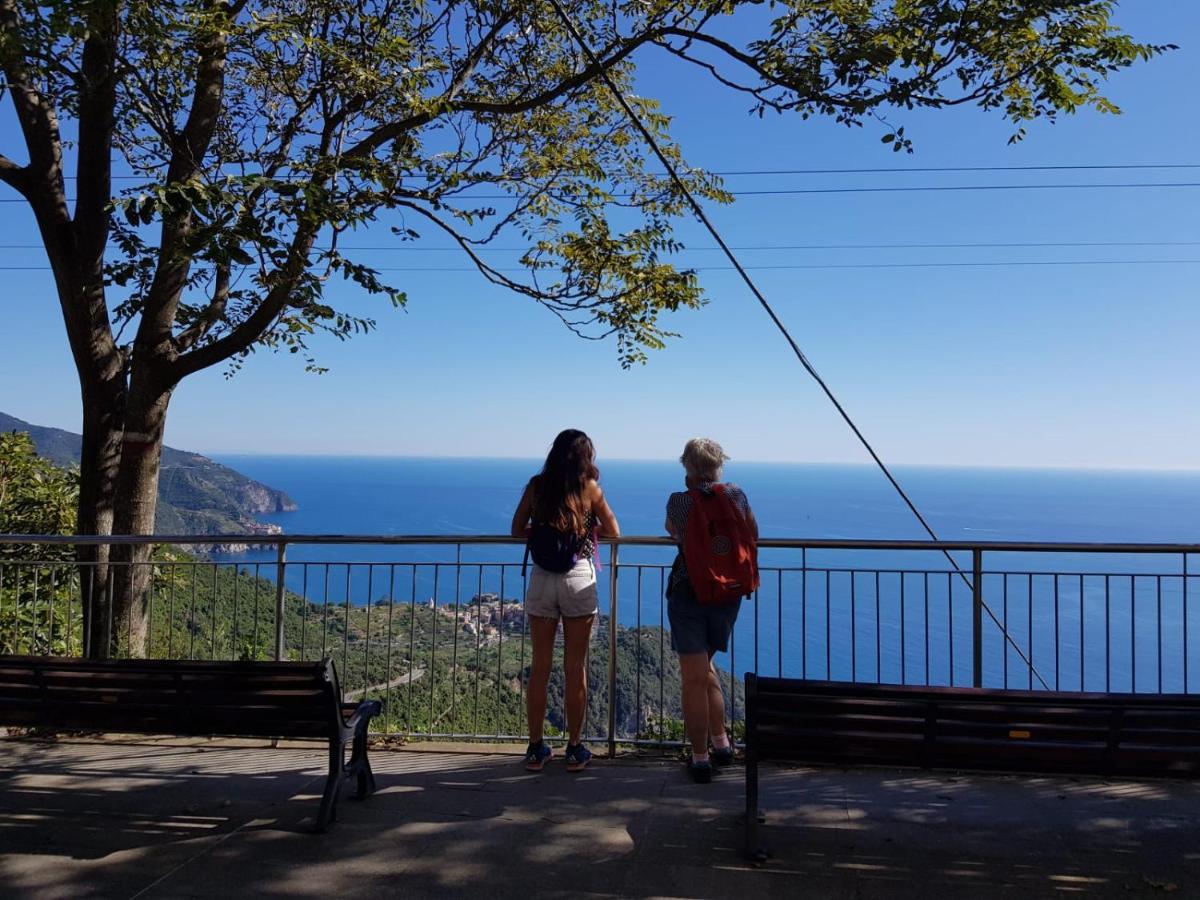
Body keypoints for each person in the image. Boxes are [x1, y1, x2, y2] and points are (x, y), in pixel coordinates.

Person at [511, 429, 620, 773]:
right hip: (579, 579)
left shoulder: (537, 485)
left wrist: (545, 532)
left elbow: (516, 528)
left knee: (540, 667)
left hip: (543, 578)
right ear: (587, 456)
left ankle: (535, 748)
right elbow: (614, 530)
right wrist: (584, 532)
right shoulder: (589, 488)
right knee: (576, 668)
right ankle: (574, 749)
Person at [664, 437, 758, 783]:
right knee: (706, 668)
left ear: (686, 466)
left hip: (691, 594)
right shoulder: (736, 496)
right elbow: (753, 533)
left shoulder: (679, 502)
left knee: (693, 678)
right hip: (727, 594)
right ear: (720, 465)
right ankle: (722, 744)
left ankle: (700, 757)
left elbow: (672, 531)